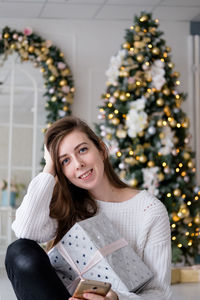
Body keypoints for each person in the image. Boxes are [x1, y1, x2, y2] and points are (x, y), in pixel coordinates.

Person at [5, 116, 172, 300]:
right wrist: (49, 169)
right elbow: (25, 231)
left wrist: (115, 298)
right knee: (19, 250)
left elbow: (159, 294)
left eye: (82, 150)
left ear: (101, 149)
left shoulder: (150, 210)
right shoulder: (66, 205)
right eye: (65, 161)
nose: (78, 164)